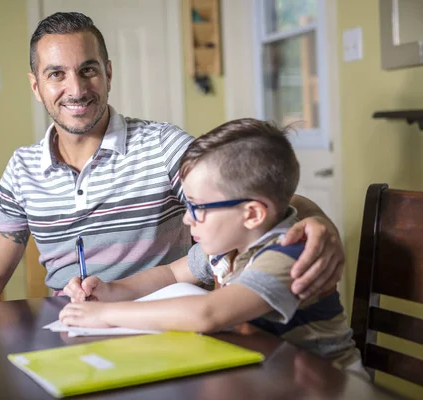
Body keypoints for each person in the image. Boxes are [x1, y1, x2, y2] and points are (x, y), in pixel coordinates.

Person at [0, 12, 344, 317]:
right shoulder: (22, 169)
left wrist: (314, 223)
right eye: (56, 75)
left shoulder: (162, 145)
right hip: (75, 326)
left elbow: (251, 198)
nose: (76, 88)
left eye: (88, 70)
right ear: (36, 86)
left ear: (107, 73)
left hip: (174, 329)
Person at [60, 118, 365, 374]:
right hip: (274, 374)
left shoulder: (287, 253)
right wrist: (110, 292)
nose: (187, 220)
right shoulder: (228, 245)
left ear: (252, 214)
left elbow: (209, 313)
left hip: (330, 384)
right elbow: (171, 274)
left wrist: (106, 316)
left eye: (197, 207)